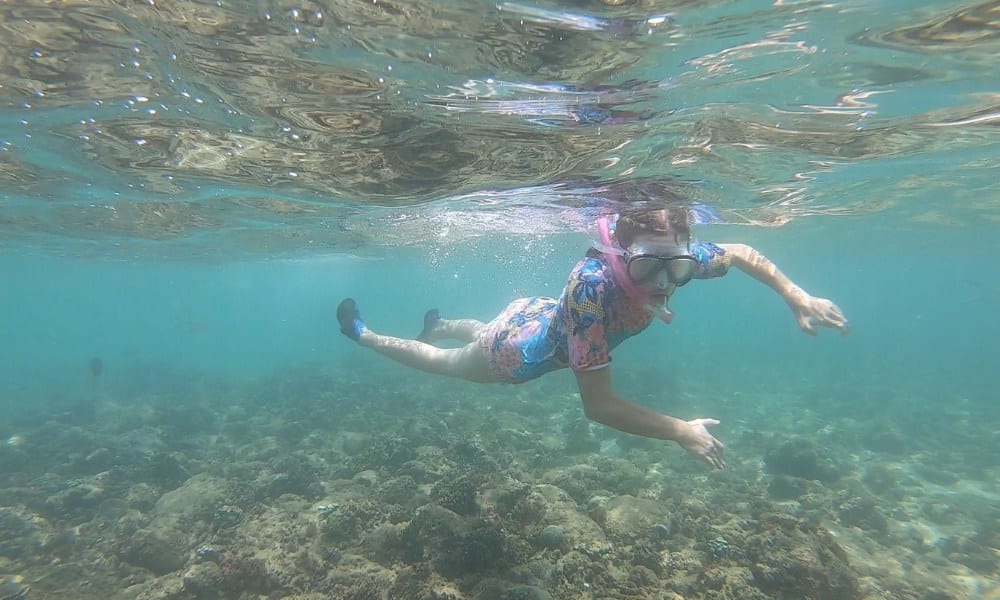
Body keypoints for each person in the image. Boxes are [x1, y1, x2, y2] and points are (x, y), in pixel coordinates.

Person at [337, 206, 849, 469]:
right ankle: (366, 336)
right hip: (517, 354)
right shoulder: (590, 293)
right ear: (620, 253)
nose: (664, 284)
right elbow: (598, 407)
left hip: (536, 314)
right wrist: (680, 430)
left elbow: (737, 251)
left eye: (679, 268)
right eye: (648, 267)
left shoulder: (670, 260)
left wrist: (794, 294)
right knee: (444, 363)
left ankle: (443, 323)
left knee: (485, 325)